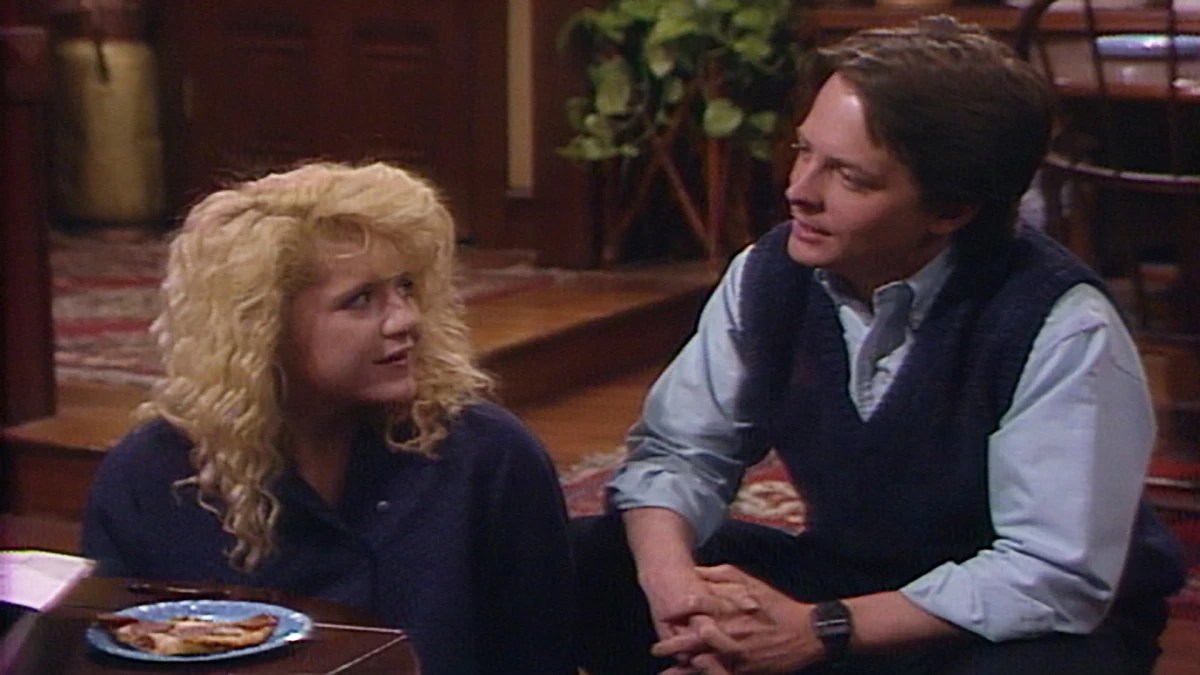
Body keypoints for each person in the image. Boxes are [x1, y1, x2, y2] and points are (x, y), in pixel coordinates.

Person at [571, 16, 1186, 675]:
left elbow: (1051, 573)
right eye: (805, 151)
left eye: (848, 177)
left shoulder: (1060, 322)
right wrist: (676, 590)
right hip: (843, 578)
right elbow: (680, 452)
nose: (799, 190)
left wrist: (821, 630)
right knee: (584, 554)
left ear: (950, 210)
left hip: (1005, 620)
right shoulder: (770, 274)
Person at [81, 161, 576, 674]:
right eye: (361, 300)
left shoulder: (488, 456)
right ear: (265, 324)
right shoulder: (155, 477)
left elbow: (540, 661)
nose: (406, 319)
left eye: (405, 287)